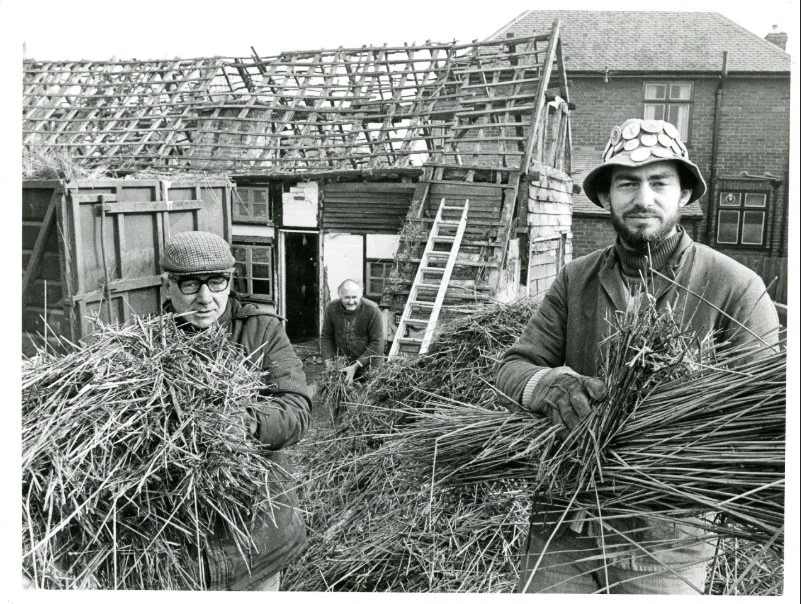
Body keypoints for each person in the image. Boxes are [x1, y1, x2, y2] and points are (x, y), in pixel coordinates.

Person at [496, 118, 781, 594]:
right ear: (607, 197)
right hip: (565, 525)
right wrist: (548, 386)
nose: (642, 198)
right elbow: (511, 367)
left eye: (658, 183)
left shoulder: (736, 288)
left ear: (684, 195)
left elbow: (757, 430)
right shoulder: (575, 279)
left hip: (665, 543)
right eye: (627, 183)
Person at [161, 230, 311, 591]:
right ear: (168, 285)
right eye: (190, 285)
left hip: (257, 535)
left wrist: (244, 423)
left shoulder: (262, 330)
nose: (205, 298)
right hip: (185, 548)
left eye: (217, 282)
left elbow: (297, 409)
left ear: (230, 280)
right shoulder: (151, 341)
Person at [320, 279, 385, 383]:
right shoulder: (331, 308)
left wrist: (357, 365)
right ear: (340, 295)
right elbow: (326, 337)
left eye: (354, 297)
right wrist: (329, 363)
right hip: (344, 364)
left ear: (360, 294)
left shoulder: (372, 310)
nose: (351, 302)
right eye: (347, 297)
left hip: (369, 365)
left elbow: (377, 343)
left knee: (368, 395)